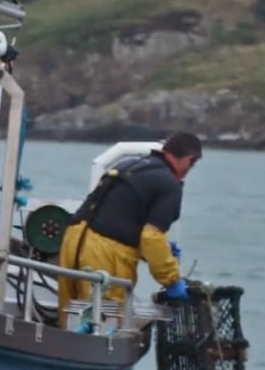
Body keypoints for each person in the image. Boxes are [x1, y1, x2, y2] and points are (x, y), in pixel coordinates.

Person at [54, 132, 201, 329]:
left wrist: (161, 252)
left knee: (70, 316)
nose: (187, 172)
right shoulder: (169, 184)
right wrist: (171, 279)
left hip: (73, 239)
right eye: (191, 165)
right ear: (189, 159)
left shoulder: (130, 164)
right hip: (103, 255)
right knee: (104, 325)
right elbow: (151, 238)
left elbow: (122, 218)